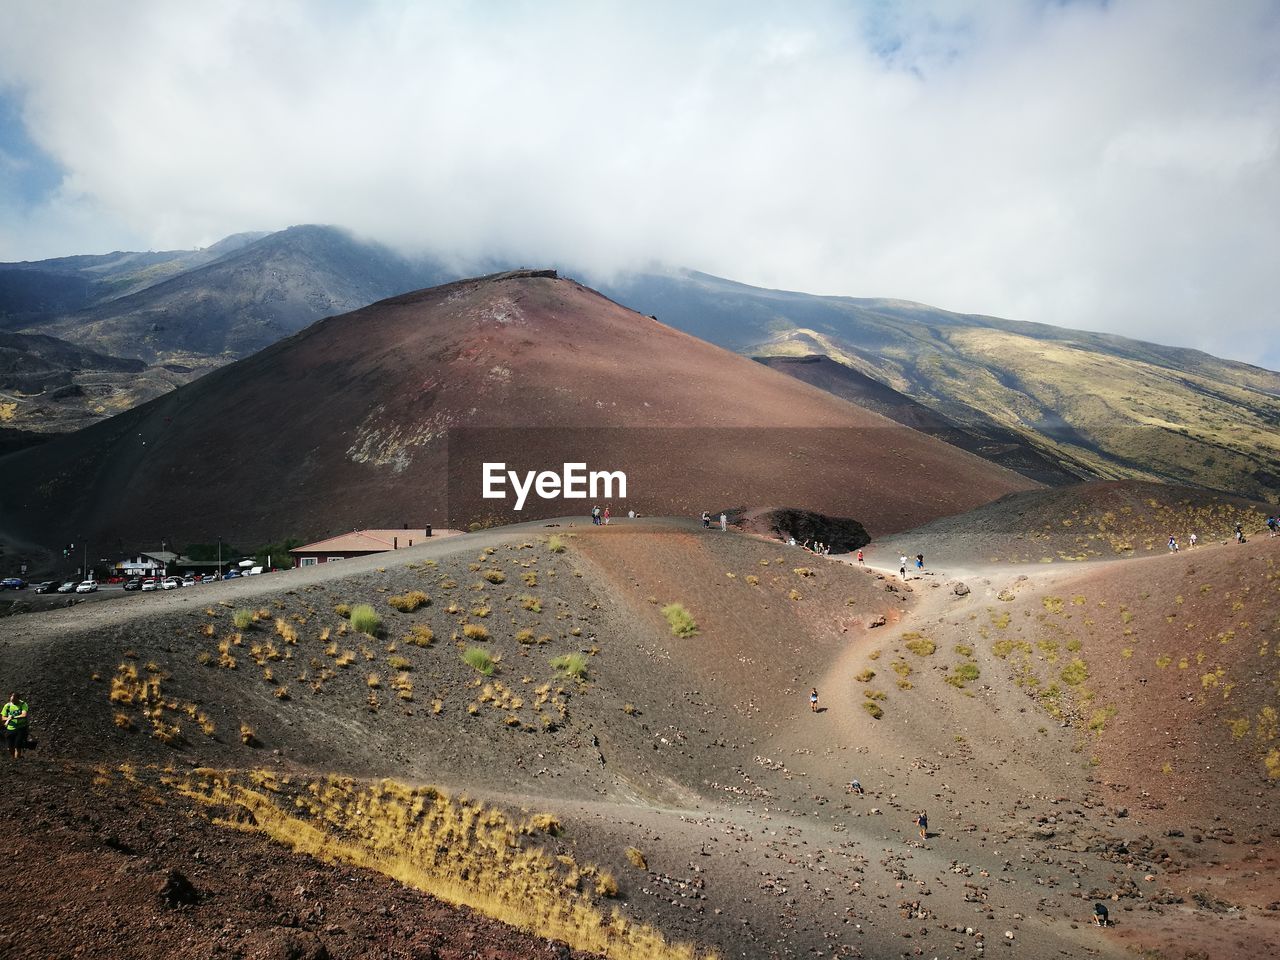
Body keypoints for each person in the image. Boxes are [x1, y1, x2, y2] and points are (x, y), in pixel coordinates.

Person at [3, 693, 29, 760]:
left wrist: (13, 717)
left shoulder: (23, 704)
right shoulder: (7, 706)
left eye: (14, 700)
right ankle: (14, 759)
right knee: (9, 748)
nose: (13, 702)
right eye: (11, 700)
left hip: (21, 728)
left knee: (17, 746)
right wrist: (8, 718)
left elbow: (24, 715)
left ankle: (17, 760)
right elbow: (3, 718)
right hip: (10, 728)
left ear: (18, 699)